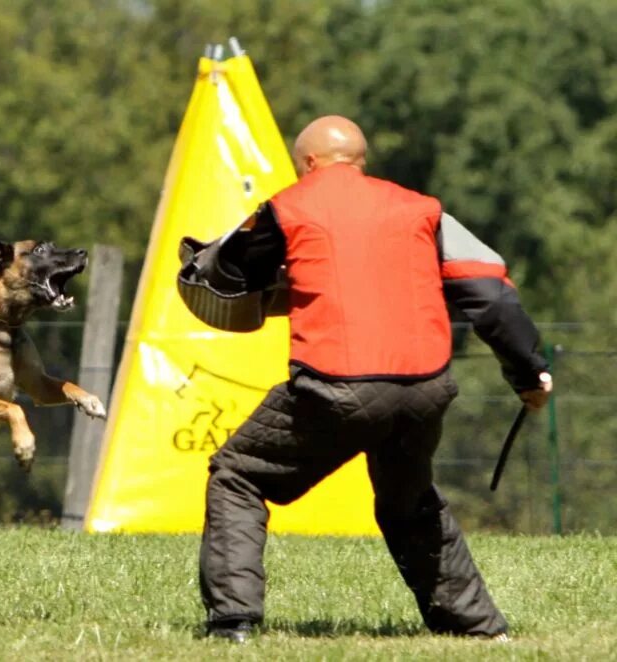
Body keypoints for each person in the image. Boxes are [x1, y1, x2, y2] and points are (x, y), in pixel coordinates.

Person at [198, 115, 553, 643]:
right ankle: (478, 628)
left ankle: (233, 623)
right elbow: (491, 295)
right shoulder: (423, 210)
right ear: (361, 160)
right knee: (408, 500)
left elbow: (231, 278)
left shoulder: (286, 207)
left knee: (238, 475)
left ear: (308, 163)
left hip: (336, 384)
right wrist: (527, 373)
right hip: (425, 386)